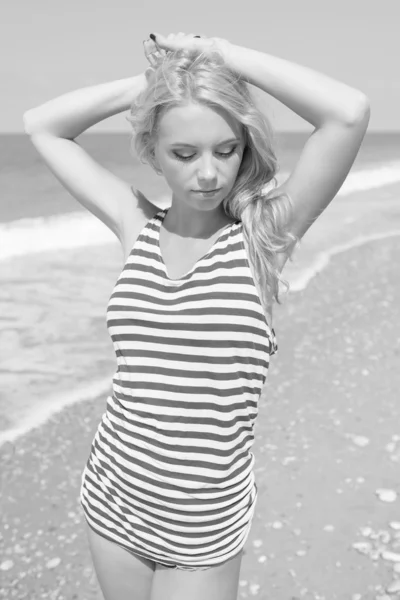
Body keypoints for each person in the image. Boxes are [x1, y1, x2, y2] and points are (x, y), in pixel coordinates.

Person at [23, 31, 370, 600]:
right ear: (153, 154)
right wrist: (159, 86)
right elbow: (43, 124)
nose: (208, 173)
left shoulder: (264, 238)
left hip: (204, 525)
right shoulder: (134, 222)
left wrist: (220, 56)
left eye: (225, 150)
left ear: (245, 148)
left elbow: (348, 113)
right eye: (183, 153)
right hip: (115, 496)